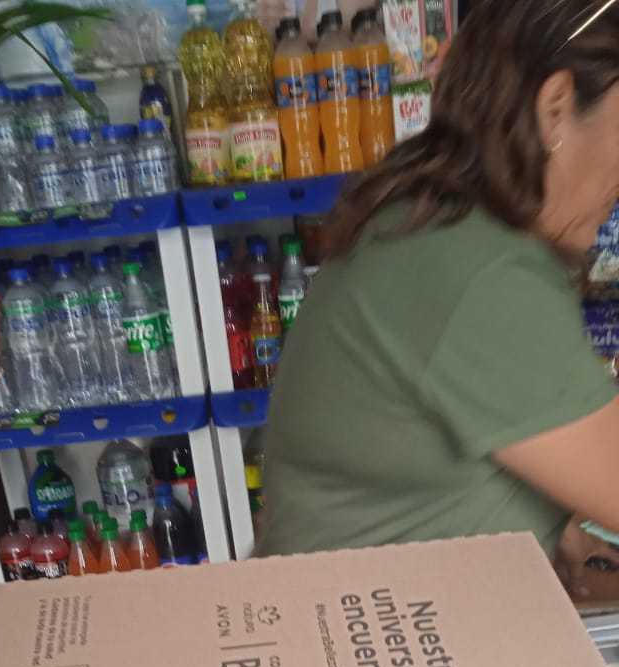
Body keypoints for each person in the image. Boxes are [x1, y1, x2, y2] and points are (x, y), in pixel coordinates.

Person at [258, 0, 619, 596]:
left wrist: (553, 525)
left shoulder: (433, 221)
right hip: (376, 634)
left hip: (342, 613)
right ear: (555, 107)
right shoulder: (482, 271)